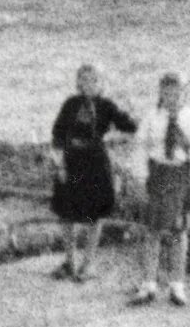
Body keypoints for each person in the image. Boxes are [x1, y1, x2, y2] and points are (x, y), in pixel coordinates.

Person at [47, 64, 132, 283]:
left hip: (96, 163)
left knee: (96, 213)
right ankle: (69, 261)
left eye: (94, 80)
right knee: (66, 211)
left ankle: (88, 263)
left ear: (101, 83)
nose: (88, 84)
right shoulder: (70, 104)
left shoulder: (107, 106)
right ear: (78, 82)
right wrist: (58, 163)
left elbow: (131, 127)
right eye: (83, 79)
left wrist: (116, 137)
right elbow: (57, 133)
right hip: (72, 161)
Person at [132, 72, 190, 309]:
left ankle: (177, 284)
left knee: (178, 232)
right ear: (160, 93)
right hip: (157, 175)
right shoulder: (152, 118)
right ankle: (148, 283)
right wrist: (141, 179)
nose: (171, 99)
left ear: (185, 94)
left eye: (177, 94)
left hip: (180, 177)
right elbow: (141, 149)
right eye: (166, 94)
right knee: (151, 231)